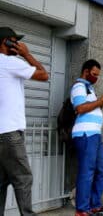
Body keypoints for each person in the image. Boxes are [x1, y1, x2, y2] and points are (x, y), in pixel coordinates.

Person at [0, 27, 48, 216]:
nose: (18, 45)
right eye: (15, 41)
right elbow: (44, 75)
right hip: (10, 133)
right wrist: (27, 54)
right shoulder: (9, 62)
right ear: (6, 42)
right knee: (23, 178)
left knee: (2, 181)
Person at [70, 59, 103, 216]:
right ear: (86, 71)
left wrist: (101, 103)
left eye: (98, 75)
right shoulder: (79, 87)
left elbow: (90, 108)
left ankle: (94, 204)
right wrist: (100, 101)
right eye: (94, 74)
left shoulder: (89, 88)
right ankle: (82, 209)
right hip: (85, 134)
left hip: (95, 134)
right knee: (87, 172)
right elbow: (80, 108)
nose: (96, 77)